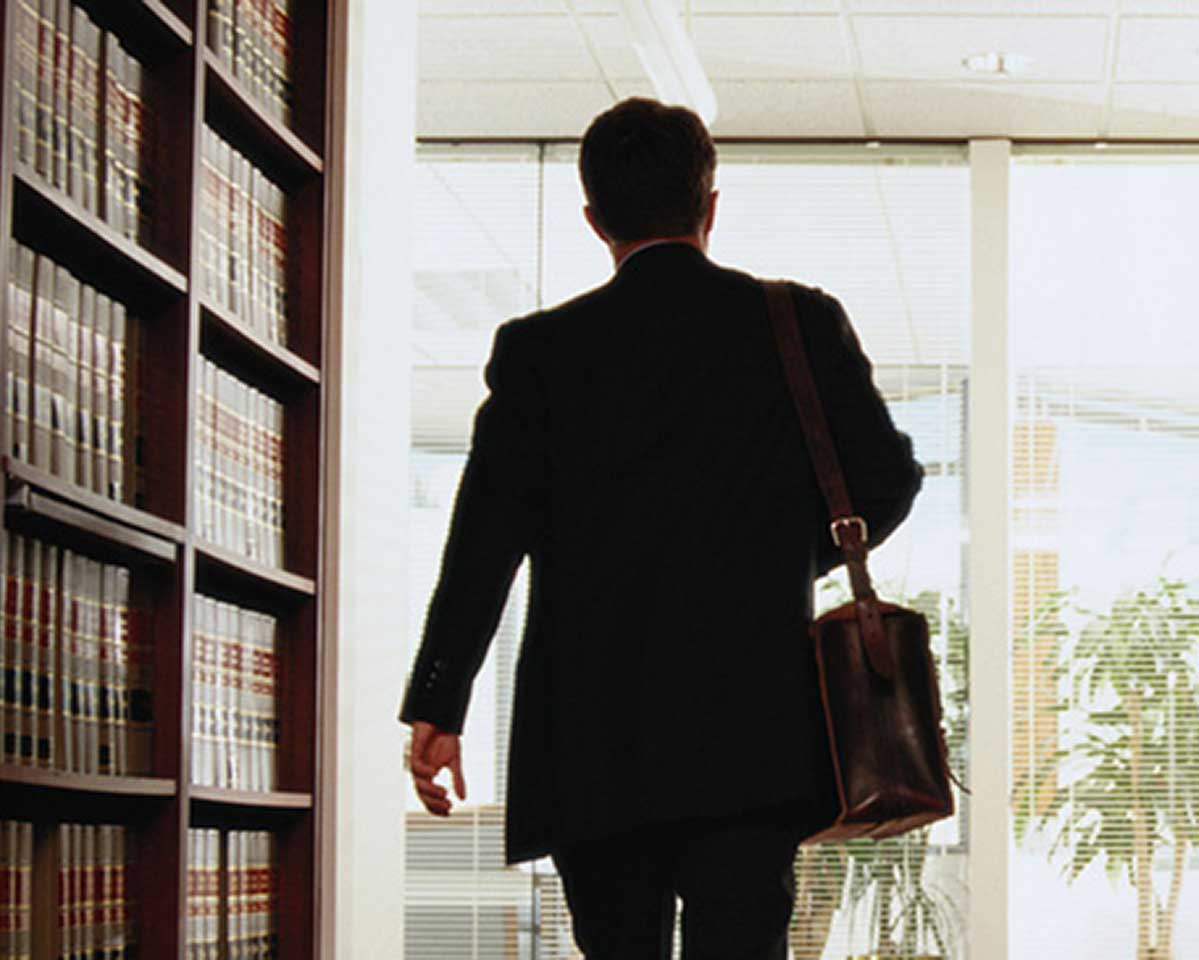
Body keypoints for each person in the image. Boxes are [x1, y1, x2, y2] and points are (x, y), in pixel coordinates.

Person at [399, 97, 923, 959]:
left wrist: (439, 702)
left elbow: (482, 541)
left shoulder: (539, 351)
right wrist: (786, 558)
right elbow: (888, 482)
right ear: (708, 205)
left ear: (593, 218)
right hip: (754, 727)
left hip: (590, 736)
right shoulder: (797, 322)